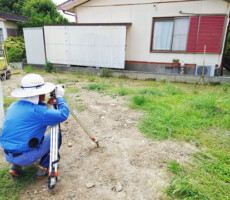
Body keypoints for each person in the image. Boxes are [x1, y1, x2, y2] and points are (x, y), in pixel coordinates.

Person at [0, 74, 69, 178]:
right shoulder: (38, 112)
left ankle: (15, 167)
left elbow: (35, 111)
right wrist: (59, 97)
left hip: (7, 154)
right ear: (39, 94)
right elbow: (63, 114)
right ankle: (43, 169)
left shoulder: (13, 106)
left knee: (21, 135)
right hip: (25, 157)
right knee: (57, 136)